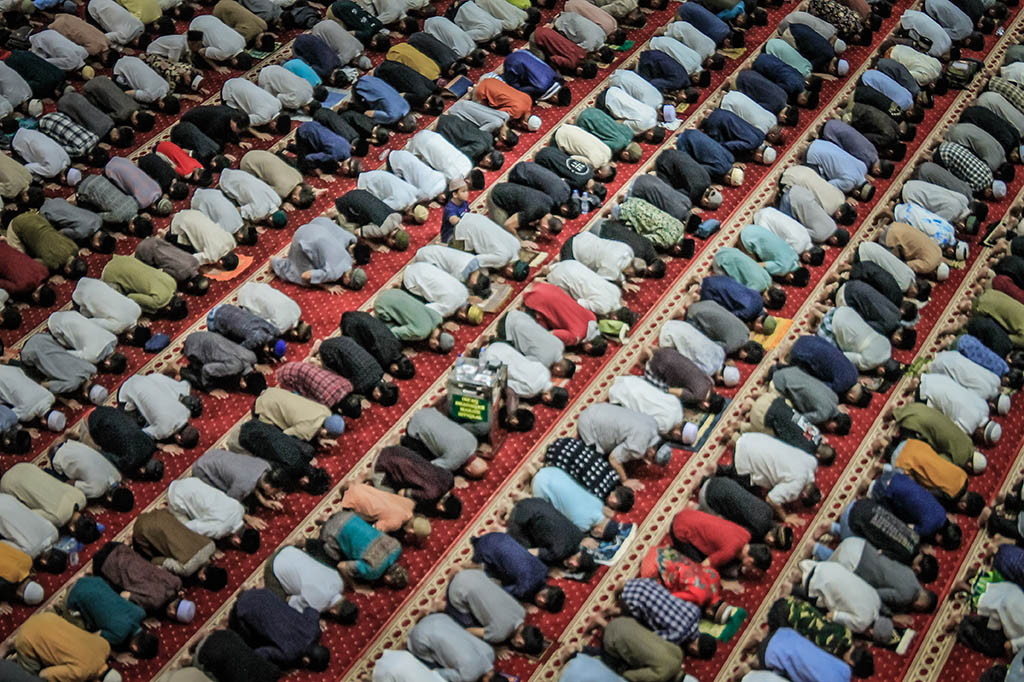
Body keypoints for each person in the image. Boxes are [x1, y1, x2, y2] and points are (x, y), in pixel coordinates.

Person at [446, 568, 545, 654]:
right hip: (457, 589)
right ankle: (442, 607)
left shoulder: (522, 612)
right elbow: (469, 631)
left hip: (474, 574)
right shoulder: (499, 635)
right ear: (519, 642)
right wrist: (494, 649)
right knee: (466, 626)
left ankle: (460, 573)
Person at [229, 589, 330, 671]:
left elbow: (311, 611)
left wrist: (317, 621)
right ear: (306, 661)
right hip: (241, 609)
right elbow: (261, 653)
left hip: (264, 593)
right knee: (250, 643)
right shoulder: (289, 654)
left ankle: (245, 593)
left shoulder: (314, 630)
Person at [92, 541, 193, 621]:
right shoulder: (155, 603)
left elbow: (159, 568)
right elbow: (124, 595)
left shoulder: (176, 582)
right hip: (103, 562)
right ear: (172, 612)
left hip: (119, 547)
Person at [0, 463, 101, 543]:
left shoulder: (81, 498)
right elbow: (28, 516)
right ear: (72, 528)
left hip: (25, 467)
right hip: (9, 483)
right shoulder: (58, 518)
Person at [616, 578, 718, 657]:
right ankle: (619, 600)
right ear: (694, 649)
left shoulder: (696, 612)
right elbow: (651, 637)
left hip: (646, 583)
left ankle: (626, 585)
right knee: (640, 629)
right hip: (633, 599)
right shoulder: (676, 636)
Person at [733, 432, 822, 519]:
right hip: (743, 458)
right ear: (803, 495)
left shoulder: (812, 462)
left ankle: (734, 438)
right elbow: (771, 499)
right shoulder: (795, 488)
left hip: (754, 437)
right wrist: (785, 517)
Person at [66, 576, 159, 658]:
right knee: (81, 636)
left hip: (94, 580)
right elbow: (94, 637)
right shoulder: (119, 636)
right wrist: (116, 655)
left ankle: (78, 580)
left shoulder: (140, 612)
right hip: (74, 594)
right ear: (135, 648)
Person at [13, 612, 122, 682]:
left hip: (46, 617)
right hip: (26, 638)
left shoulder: (105, 647)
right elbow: (44, 674)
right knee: (31, 678)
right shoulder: (80, 673)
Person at [469, 532, 565, 611]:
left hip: (500, 536)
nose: (540, 599)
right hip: (484, 548)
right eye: (544, 596)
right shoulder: (523, 589)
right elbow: (500, 593)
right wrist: (521, 604)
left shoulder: (543, 570)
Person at [577, 403, 670, 484]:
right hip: (588, 424)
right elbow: (613, 459)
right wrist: (625, 480)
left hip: (599, 408)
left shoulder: (653, 424)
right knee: (598, 465)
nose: (649, 463)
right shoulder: (638, 447)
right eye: (651, 459)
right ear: (651, 452)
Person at [166, 478, 262, 553]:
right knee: (187, 537)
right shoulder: (219, 530)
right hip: (176, 496)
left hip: (192, 482)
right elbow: (191, 528)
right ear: (237, 541)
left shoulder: (239, 509)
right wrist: (210, 548)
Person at [264, 545, 357, 623]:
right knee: (280, 609)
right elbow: (292, 603)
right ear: (334, 612)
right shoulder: (316, 606)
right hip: (273, 566)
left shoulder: (340, 582)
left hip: (291, 550)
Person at [506, 497, 596, 575]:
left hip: (538, 502)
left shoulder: (579, 536)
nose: (573, 564)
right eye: (577, 562)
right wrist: (547, 569)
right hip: (522, 514)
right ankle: (503, 524)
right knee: (522, 554)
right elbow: (529, 552)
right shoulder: (557, 553)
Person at [318, 510, 408, 588]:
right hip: (330, 533)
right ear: (387, 579)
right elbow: (342, 566)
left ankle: (329, 517)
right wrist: (356, 586)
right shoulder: (373, 571)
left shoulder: (397, 546)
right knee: (332, 562)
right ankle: (325, 523)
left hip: (348, 516)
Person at [670, 508, 772, 576]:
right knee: (699, 572)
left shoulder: (746, 534)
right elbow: (704, 566)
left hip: (689, 513)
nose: (751, 569)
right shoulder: (729, 552)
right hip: (679, 528)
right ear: (750, 560)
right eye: (752, 567)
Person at [407, 613, 505, 682]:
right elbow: (437, 673)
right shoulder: (468, 677)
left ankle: (424, 620)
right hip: (419, 635)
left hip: (440, 617)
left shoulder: (490, 652)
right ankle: (409, 641)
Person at [609, 375, 697, 444]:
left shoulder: (678, 406)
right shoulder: (665, 427)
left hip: (633, 381)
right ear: (677, 434)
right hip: (622, 394)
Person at [117, 374, 200, 447]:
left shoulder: (186, 411)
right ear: (178, 438)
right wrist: (161, 445)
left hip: (144, 378)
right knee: (132, 428)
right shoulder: (164, 431)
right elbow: (142, 434)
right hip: (125, 392)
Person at [50, 440, 132, 511]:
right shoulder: (97, 491)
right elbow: (70, 483)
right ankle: (50, 459)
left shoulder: (117, 475)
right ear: (110, 500)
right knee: (72, 493)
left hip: (71, 444)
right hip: (57, 457)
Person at [318, 336, 399, 406]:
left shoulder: (379, 370)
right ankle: (317, 358)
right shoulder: (360, 387)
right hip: (327, 351)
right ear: (378, 395)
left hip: (345, 340)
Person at [599, 616, 685, 682]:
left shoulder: (679, 653)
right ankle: (587, 650)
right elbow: (628, 675)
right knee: (614, 673)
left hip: (626, 621)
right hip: (611, 639)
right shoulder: (661, 675)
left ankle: (601, 621)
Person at [181, 331, 267, 395]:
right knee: (212, 381)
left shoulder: (252, 357)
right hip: (193, 347)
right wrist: (211, 389)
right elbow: (206, 369)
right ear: (243, 384)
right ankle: (178, 369)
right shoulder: (233, 367)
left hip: (203, 336)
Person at [0, 493, 66, 573]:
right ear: (44, 562)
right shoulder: (29, 553)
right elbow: (3, 544)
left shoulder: (54, 533)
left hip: (9, 499)